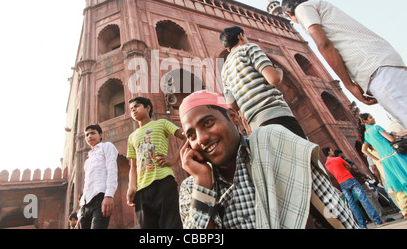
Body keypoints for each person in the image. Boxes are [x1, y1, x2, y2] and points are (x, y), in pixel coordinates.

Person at [178, 90, 359, 229]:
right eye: (191, 135)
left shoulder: (276, 146)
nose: (201, 138)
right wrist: (203, 183)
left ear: (233, 117)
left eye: (208, 123)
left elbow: (332, 209)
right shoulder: (192, 188)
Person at [281, 0, 407, 128]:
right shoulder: (322, 7)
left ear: (289, 14)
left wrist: (349, 85)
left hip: (375, 67)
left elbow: (324, 44)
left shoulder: (302, 9)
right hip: (383, 63)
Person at [219, 26, 307, 138]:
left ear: (227, 49)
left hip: (256, 126)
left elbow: (232, 105)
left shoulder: (224, 70)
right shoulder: (249, 48)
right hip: (276, 114)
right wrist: (279, 70)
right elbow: (274, 79)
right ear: (241, 36)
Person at [126, 96, 185, 228]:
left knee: (171, 225)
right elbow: (133, 166)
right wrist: (131, 187)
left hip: (163, 181)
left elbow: (186, 136)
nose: (133, 110)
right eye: (131, 109)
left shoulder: (161, 123)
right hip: (142, 190)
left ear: (148, 108)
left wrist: (173, 159)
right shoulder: (132, 137)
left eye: (136, 106)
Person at [322, 147, 384, 228]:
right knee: (363, 199)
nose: (332, 151)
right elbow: (349, 166)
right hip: (350, 179)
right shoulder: (337, 159)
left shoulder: (326, 164)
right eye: (331, 150)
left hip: (342, 183)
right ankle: (377, 220)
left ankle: (362, 225)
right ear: (328, 152)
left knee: (352, 204)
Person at [360, 113, 407, 219]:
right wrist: (393, 134)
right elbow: (391, 139)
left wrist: (377, 159)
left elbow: (363, 150)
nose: (374, 118)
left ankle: (404, 209)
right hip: (394, 155)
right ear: (365, 121)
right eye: (371, 117)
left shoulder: (366, 134)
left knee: (398, 184)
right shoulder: (376, 127)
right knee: (405, 177)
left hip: (385, 160)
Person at [79, 124, 118, 229]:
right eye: (87, 135)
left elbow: (112, 170)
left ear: (100, 135)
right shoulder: (88, 159)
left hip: (100, 199)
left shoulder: (107, 147)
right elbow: (87, 183)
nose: (89, 136)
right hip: (85, 204)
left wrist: (109, 195)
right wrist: (80, 211)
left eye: (93, 133)